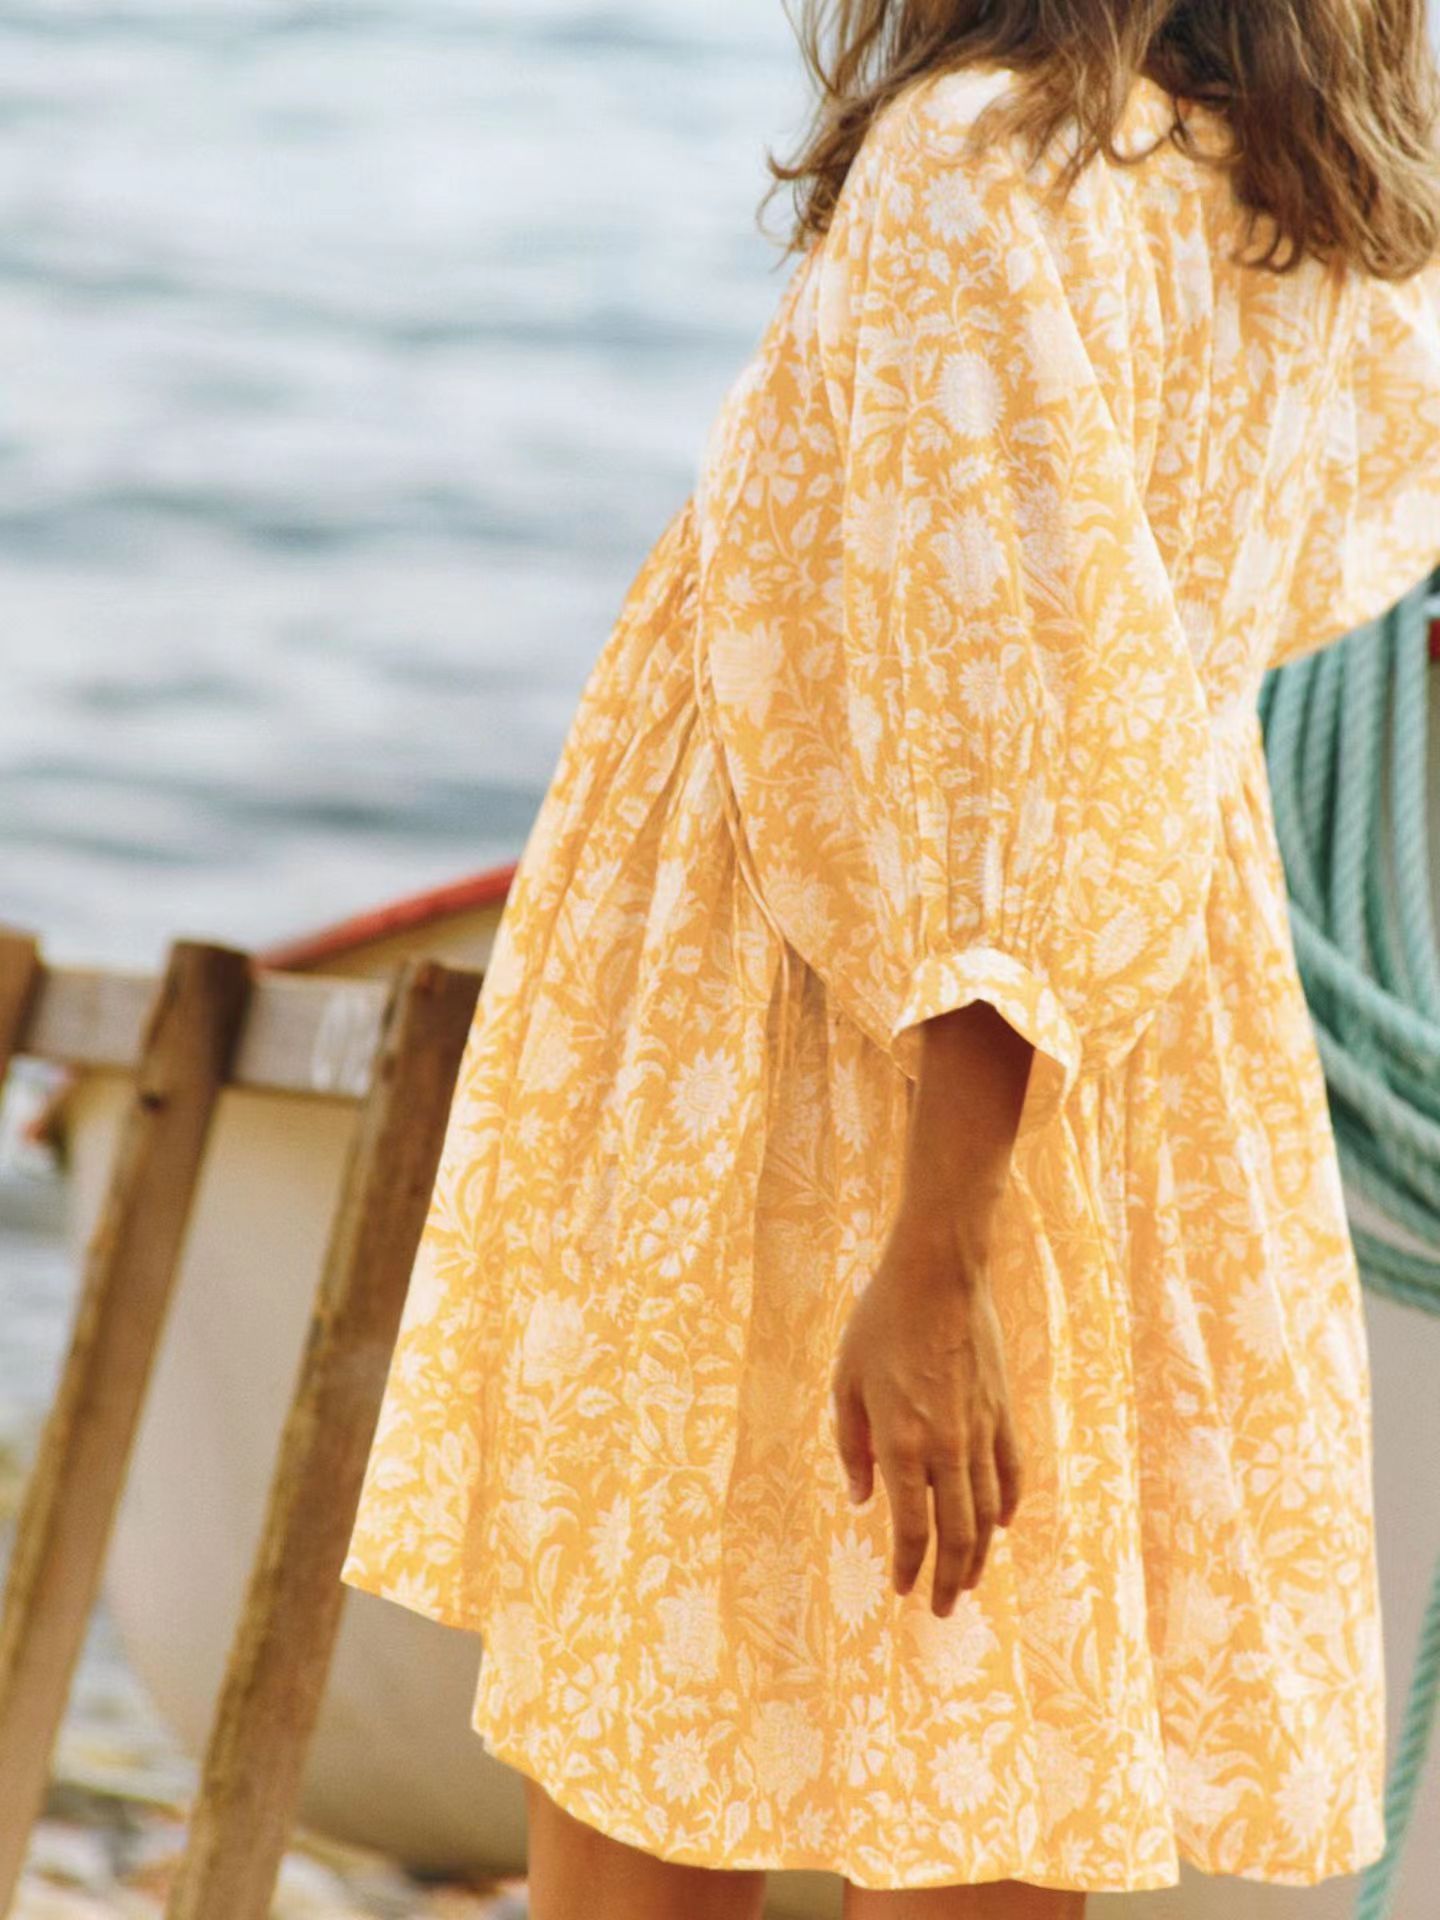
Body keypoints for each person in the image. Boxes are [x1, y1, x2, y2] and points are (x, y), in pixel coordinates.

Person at [340, 3, 1440, 1914]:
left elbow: (1009, 716)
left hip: (817, 1042)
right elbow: (1183, 646)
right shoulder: (1312, 216)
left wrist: (942, 1246)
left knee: (667, 1712)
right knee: (991, 1739)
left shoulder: (980, 162)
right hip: (1131, 1025)